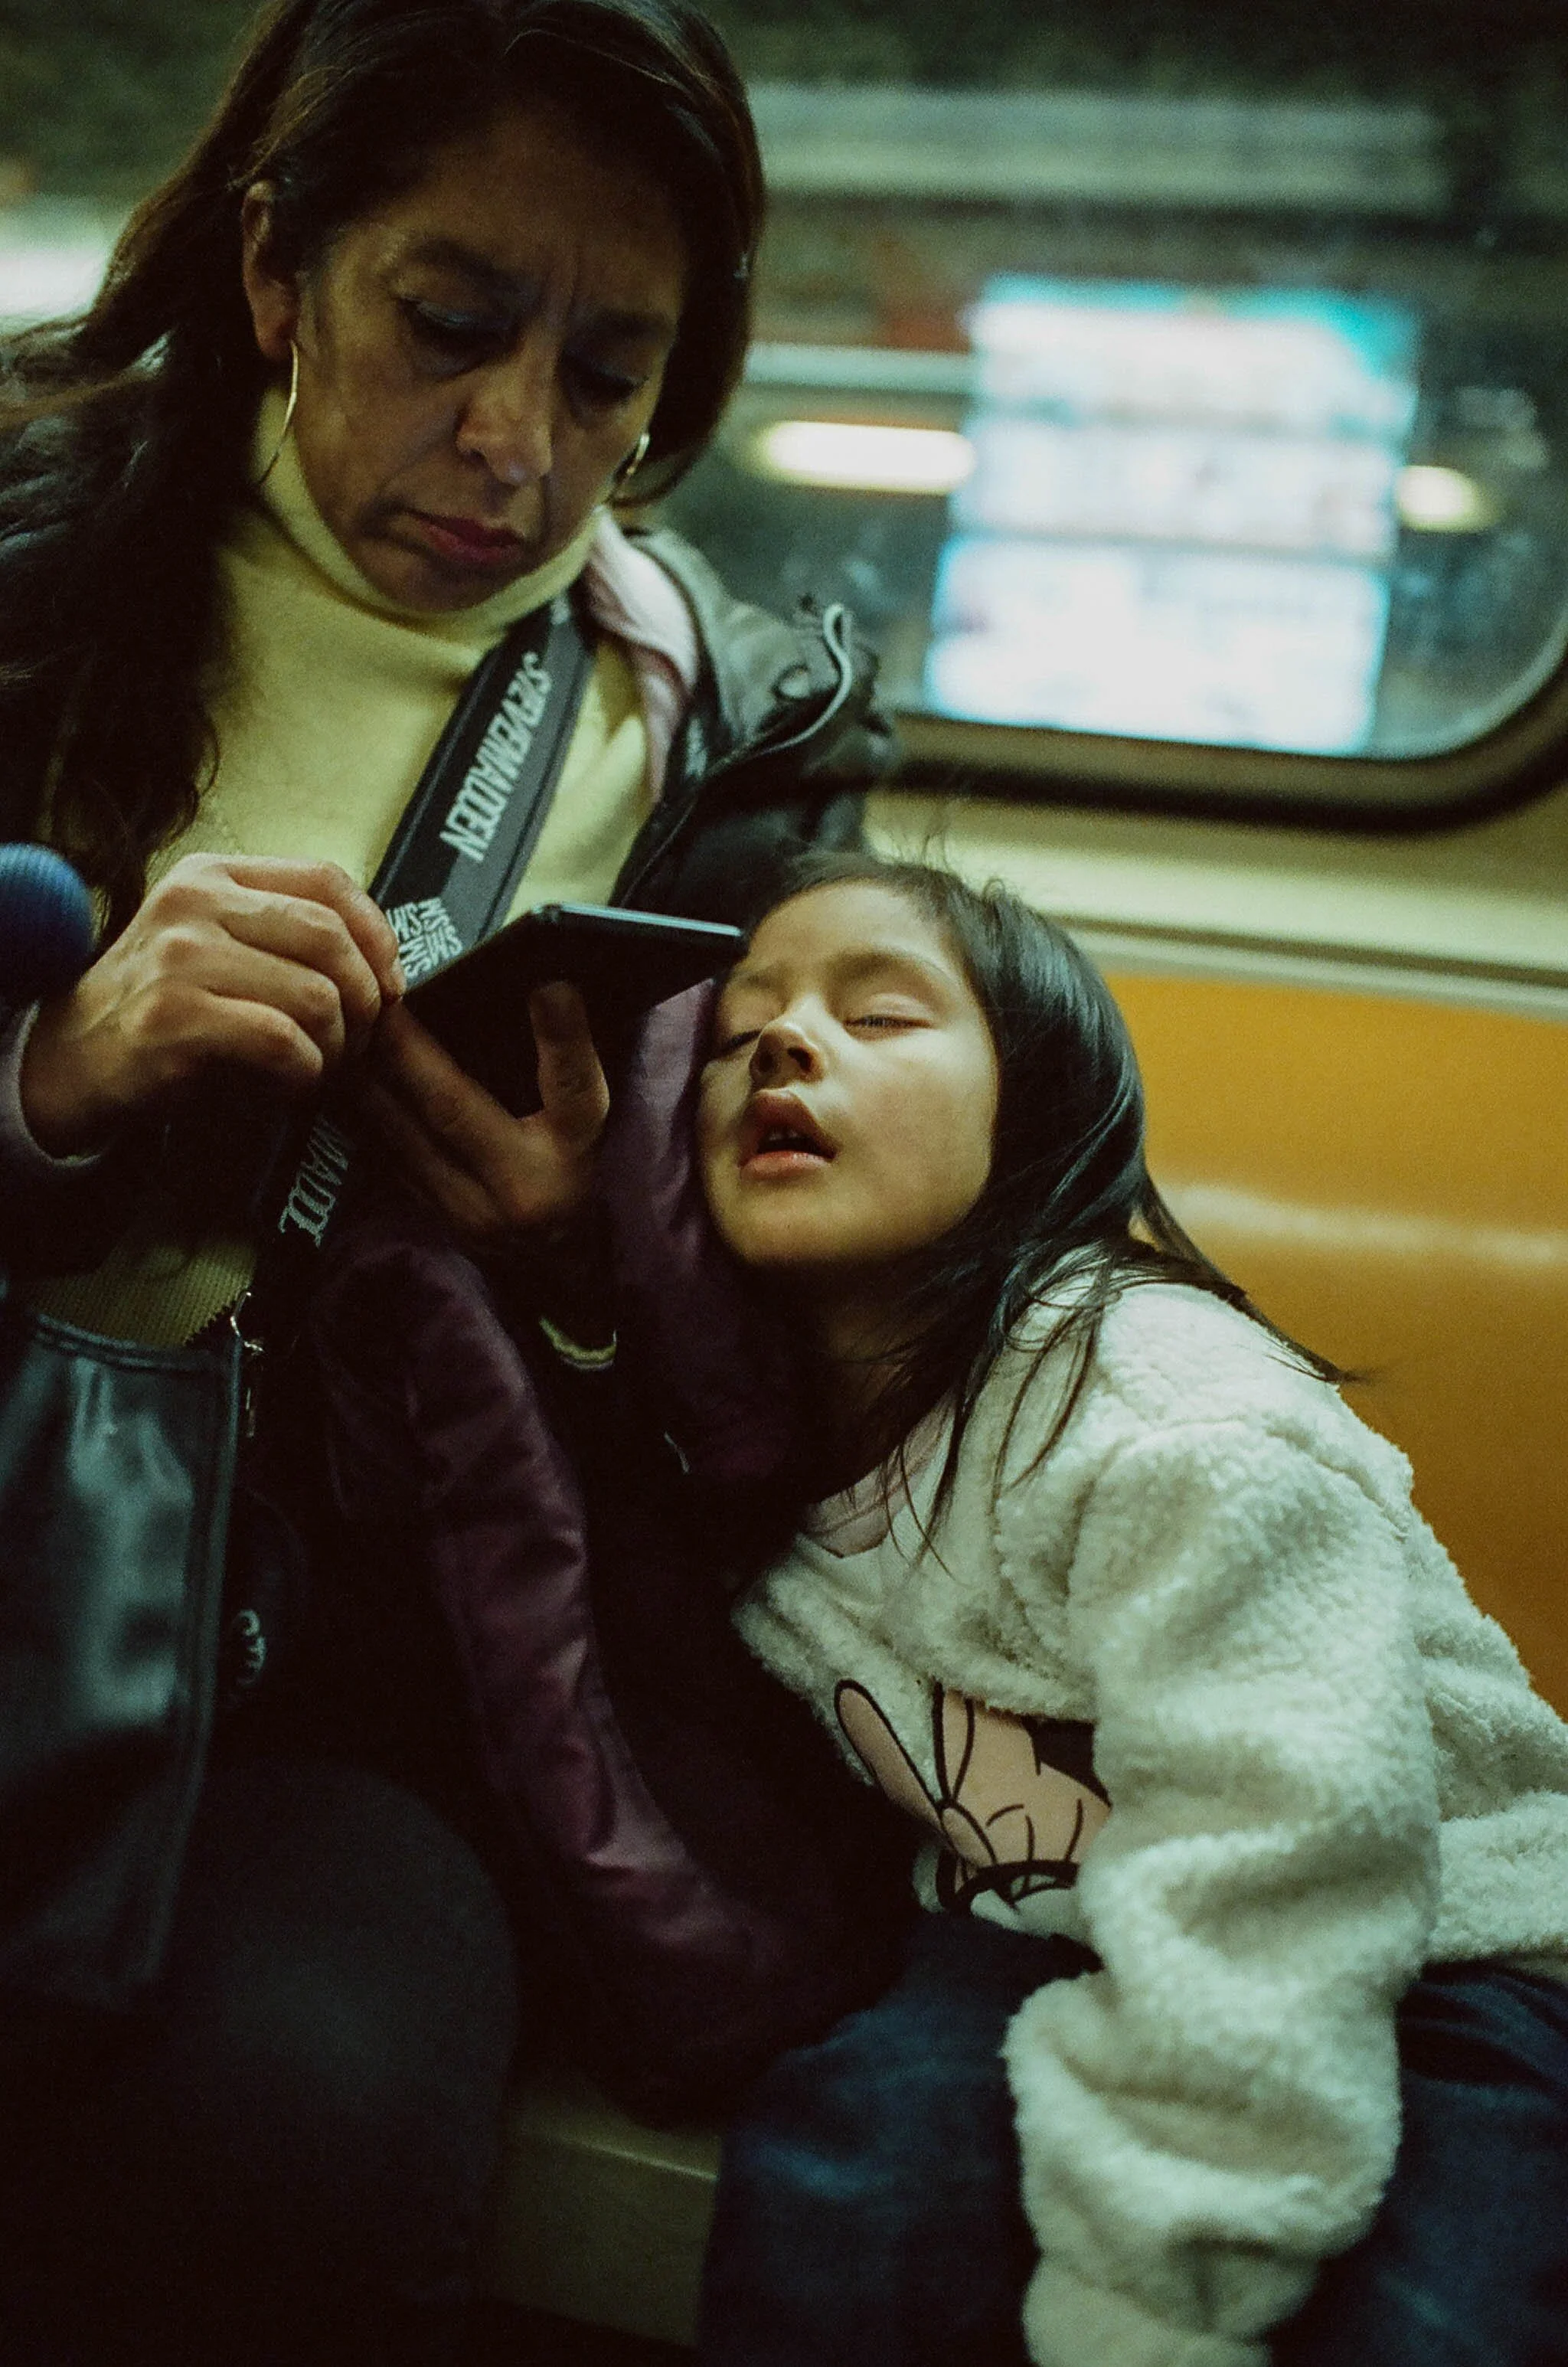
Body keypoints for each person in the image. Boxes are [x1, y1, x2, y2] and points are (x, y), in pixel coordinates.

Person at [0, 5, 887, 2361]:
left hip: (353, 1667)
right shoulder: (24, 553)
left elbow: (832, 1367)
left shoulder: (724, 735)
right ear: (283, 272)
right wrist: (51, 1082)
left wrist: (580, 1271)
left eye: (613, 376)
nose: (520, 452)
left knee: (298, 2113)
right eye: (451, 326)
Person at [691, 852, 1568, 2367]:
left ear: (1029, 1115)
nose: (778, 1041)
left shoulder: (1167, 1417)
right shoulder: (747, 1456)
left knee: (1431, 2320)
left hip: (1451, 1934)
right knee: (847, 2197)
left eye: (881, 1014)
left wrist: (1148, 2306)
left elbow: (1283, 1861)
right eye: (734, 1030)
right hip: (1047, 1924)